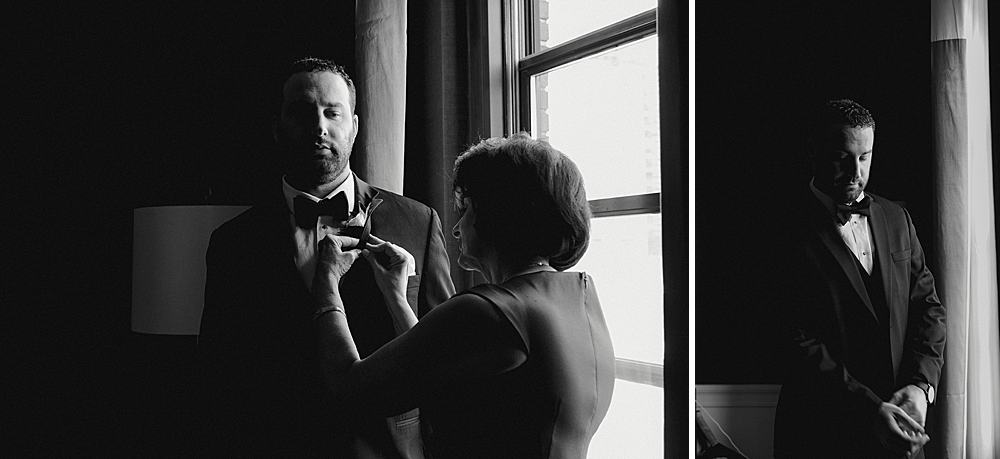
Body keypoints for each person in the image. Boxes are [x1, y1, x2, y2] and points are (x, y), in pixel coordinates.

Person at [197, 57, 455, 457]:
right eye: (302, 113)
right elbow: (219, 374)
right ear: (278, 128)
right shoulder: (233, 243)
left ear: (354, 125)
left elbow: (443, 356)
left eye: (332, 113)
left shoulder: (418, 222)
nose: (319, 127)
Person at [308, 133, 616, 458]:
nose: (457, 228)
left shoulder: (488, 312)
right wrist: (398, 298)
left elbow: (351, 389)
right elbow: (448, 376)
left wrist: (326, 283)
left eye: (466, 208)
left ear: (498, 212)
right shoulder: (579, 297)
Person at [772, 99, 947, 458]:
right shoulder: (781, 228)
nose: (855, 172)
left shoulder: (897, 218)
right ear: (814, 151)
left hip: (902, 424)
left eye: (864, 157)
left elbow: (928, 308)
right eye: (842, 157)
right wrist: (869, 409)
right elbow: (793, 340)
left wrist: (920, 386)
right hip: (818, 433)